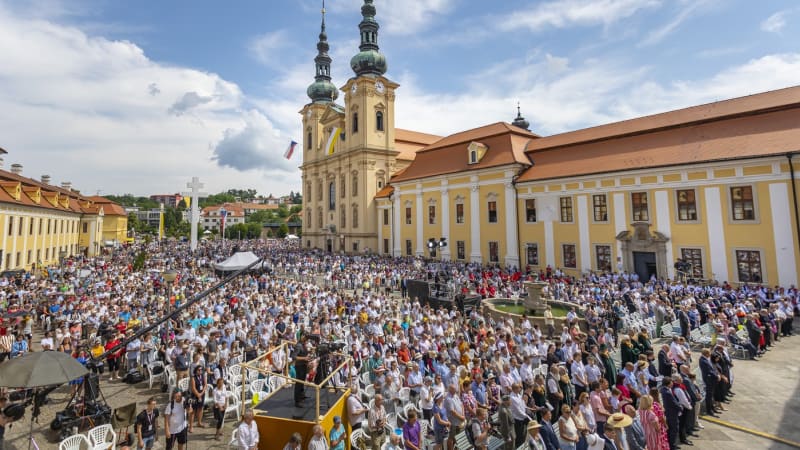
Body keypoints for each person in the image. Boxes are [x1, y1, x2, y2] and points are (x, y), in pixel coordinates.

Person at [294, 334, 311, 407]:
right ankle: (297, 401)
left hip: (304, 365)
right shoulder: (299, 345)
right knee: (299, 383)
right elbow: (294, 357)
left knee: (302, 382)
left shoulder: (304, 345)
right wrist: (304, 358)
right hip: (299, 366)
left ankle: (302, 395)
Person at [188, 365, 207, 431]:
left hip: (202, 394)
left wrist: (201, 394)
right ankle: (191, 426)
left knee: (200, 408)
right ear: (196, 371)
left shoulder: (203, 376)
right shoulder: (193, 377)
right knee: (193, 411)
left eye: (201, 370)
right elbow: (193, 388)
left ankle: (199, 422)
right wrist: (198, 395)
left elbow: (205, 385)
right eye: (199, 370)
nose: (200, 371)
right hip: (194, 395)